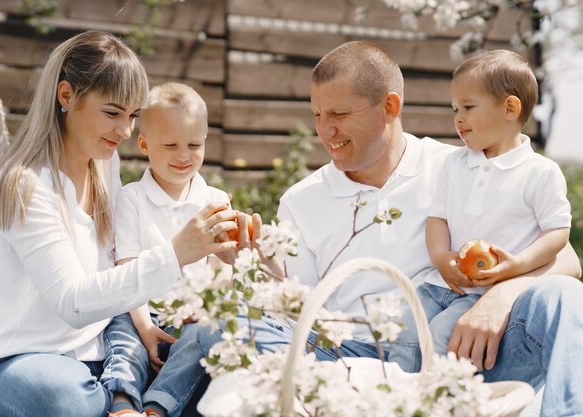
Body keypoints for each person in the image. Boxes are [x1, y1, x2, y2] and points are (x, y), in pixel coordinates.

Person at [194, 41, 583, 417]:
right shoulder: (301, 200)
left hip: (467, 353)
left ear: (389, 107)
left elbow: (564, 255)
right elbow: (299, 312)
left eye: (339, 115)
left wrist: (501, 297)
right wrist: (254, 265)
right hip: (350, 362)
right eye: (317, 115)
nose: (324, 131)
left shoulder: (458, 165)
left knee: (562, 294)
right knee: (225, 327)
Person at [0, 31, 239, 417]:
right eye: (112, 113)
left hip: (108, 351)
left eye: (132, 116)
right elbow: (73, 302)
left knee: (216, 370)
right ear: (66, 96)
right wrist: (175, 253)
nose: (125, 131)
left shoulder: (105, 166)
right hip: (26, 361)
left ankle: (127, 401)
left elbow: (117, 271)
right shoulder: (26, 184)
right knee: (69, 400)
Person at [388, 49, 572, 369]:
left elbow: (557, 233)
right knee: (403, 334)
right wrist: (441, 259)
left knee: (444, 340)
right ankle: (395, 396)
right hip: (439, 283)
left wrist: (517, 266)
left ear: (510, 108)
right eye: (455, 108)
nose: (458, 118)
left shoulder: (539, 172)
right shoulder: (455, 163)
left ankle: (438, 401)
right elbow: (438, 218)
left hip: (486, 291)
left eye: (468, 107)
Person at [107, 82, 241, 417]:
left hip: (194, 313)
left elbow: (221, 270)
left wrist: (203, 307)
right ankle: (122, 401)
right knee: (121, 335)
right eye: (170, 145)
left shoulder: (215, 200)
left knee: (202, 337)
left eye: (194, 144)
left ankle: (157, 407)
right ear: (144, 144)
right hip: (142, 308)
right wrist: (145, 328)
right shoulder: (131, 198)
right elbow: (126, 269)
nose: (184, 155)